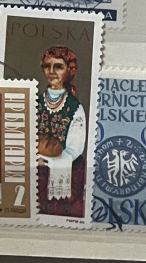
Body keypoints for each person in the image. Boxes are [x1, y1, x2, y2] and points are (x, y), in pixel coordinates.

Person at [36, 45, 87, 217]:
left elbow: (75, 148)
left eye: (58, 67)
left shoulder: (75, 108)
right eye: (47, 66)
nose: (52, 72)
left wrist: (49, 162)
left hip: (67, 170)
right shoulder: (35, 102)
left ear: (69, 71)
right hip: (35, 168)